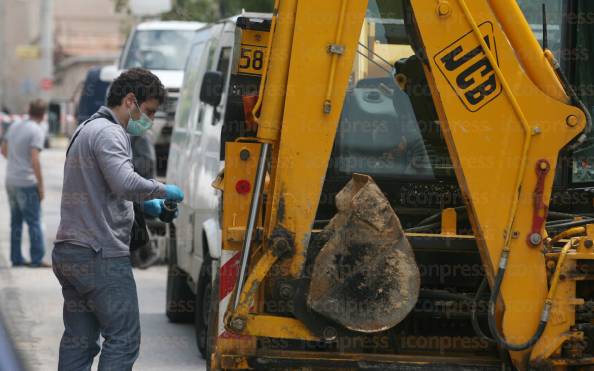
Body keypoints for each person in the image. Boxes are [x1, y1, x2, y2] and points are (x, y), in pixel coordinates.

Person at [52, 68, 184, 371]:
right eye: (148, 111)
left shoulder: (85, 129)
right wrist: (164, 189)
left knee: (80, 340)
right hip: (100, 256)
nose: (149, 120)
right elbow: (125, 182)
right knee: (123, 339)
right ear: (129, 101)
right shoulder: (111, 133)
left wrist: (149, 205)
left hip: (71, 251)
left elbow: (106, 188)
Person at [1, 99, 48, 267]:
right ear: (43, 115)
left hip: (11, 180)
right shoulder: (36, 131)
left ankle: (16, 258)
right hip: (26, 182)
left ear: (29, 111)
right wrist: (41, 186)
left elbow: (3, 150)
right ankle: (36, 259)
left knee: (16, 222)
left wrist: (16, 161)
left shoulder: (14, 125)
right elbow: (35, 160)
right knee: (34, 221)